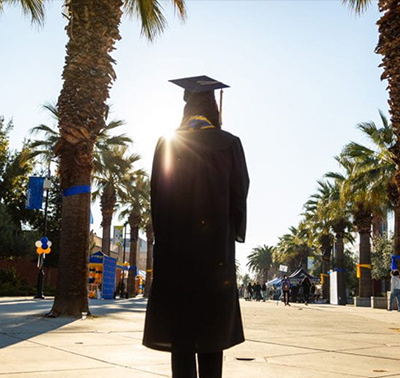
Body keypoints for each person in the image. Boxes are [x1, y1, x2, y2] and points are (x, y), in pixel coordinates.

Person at [142, 75, 250, 378]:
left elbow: (157, 197)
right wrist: (232, 232)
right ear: (213, 107)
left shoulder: (167, 142)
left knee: (182, 333)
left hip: (176, 253)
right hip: (215, 253)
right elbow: (239, 195)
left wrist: (164, 237)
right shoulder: (229, 143)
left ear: (187, 107)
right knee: (212, 331)